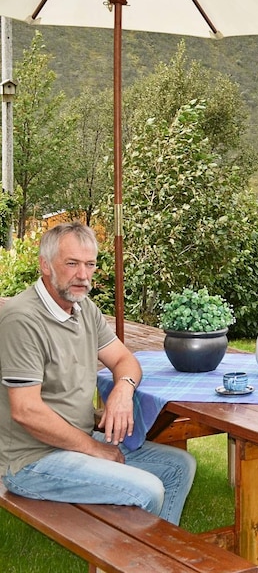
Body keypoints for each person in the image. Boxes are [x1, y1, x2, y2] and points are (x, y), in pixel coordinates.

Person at [0, 222, 196, 524]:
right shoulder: (22, 319)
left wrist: (122, 390)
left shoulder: (83, 309)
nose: (83, 275)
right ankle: (130, 562)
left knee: (178, 466)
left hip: (76, 440)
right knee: (147, 490)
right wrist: (94, 448)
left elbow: (124, 360)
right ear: (45, 265)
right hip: (31, 460)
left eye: (90, 264)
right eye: (72, 263)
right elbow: (26, 411)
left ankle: (151, 562)